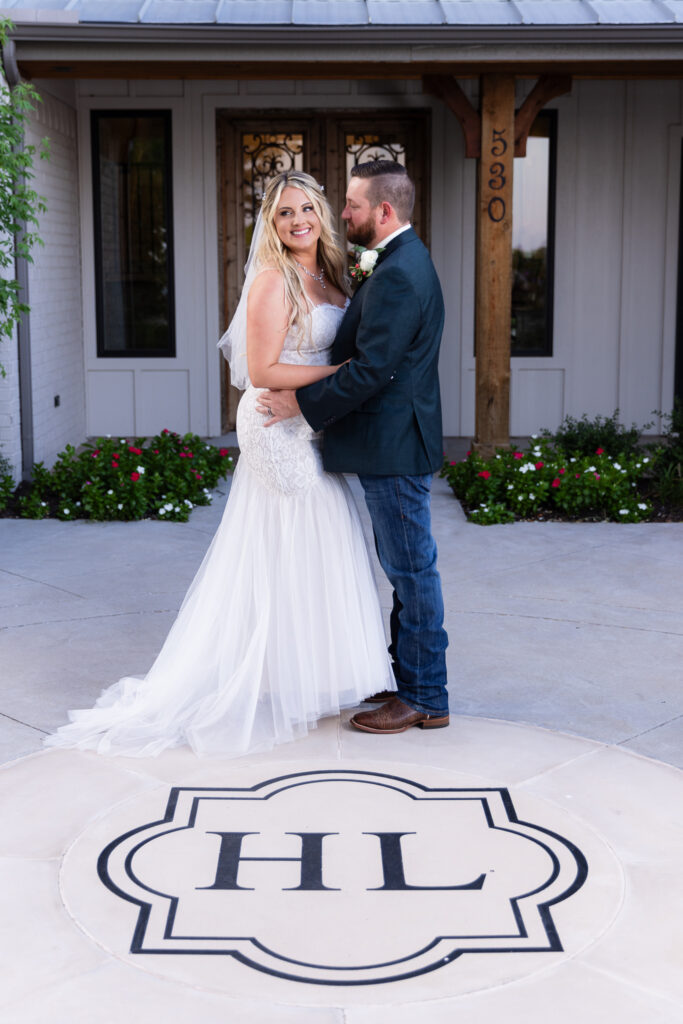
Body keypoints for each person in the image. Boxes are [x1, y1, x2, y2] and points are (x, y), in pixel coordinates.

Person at [45, 171, 395, 758]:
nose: (297, 220)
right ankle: (267, 678)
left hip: (308, 421)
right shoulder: (271, 281)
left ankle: (305, 675)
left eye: (305, 208)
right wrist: (342, 379)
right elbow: (262, 373)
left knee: (321, 539)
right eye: (284, 213)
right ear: (271, 223)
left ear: (322, 214)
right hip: (274, 423)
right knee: (296, 538)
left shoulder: (335, 274)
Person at [256, 160, 449, 734]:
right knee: (406, 568)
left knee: (411, 572)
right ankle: (411, 680)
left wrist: (301, 406)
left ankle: (424, 695)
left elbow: (374, 369)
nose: (342, 214)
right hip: (391, 441)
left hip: (392, 445)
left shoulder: (397, 273)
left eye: (351, 204)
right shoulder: (396, 261)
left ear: (383, 212)